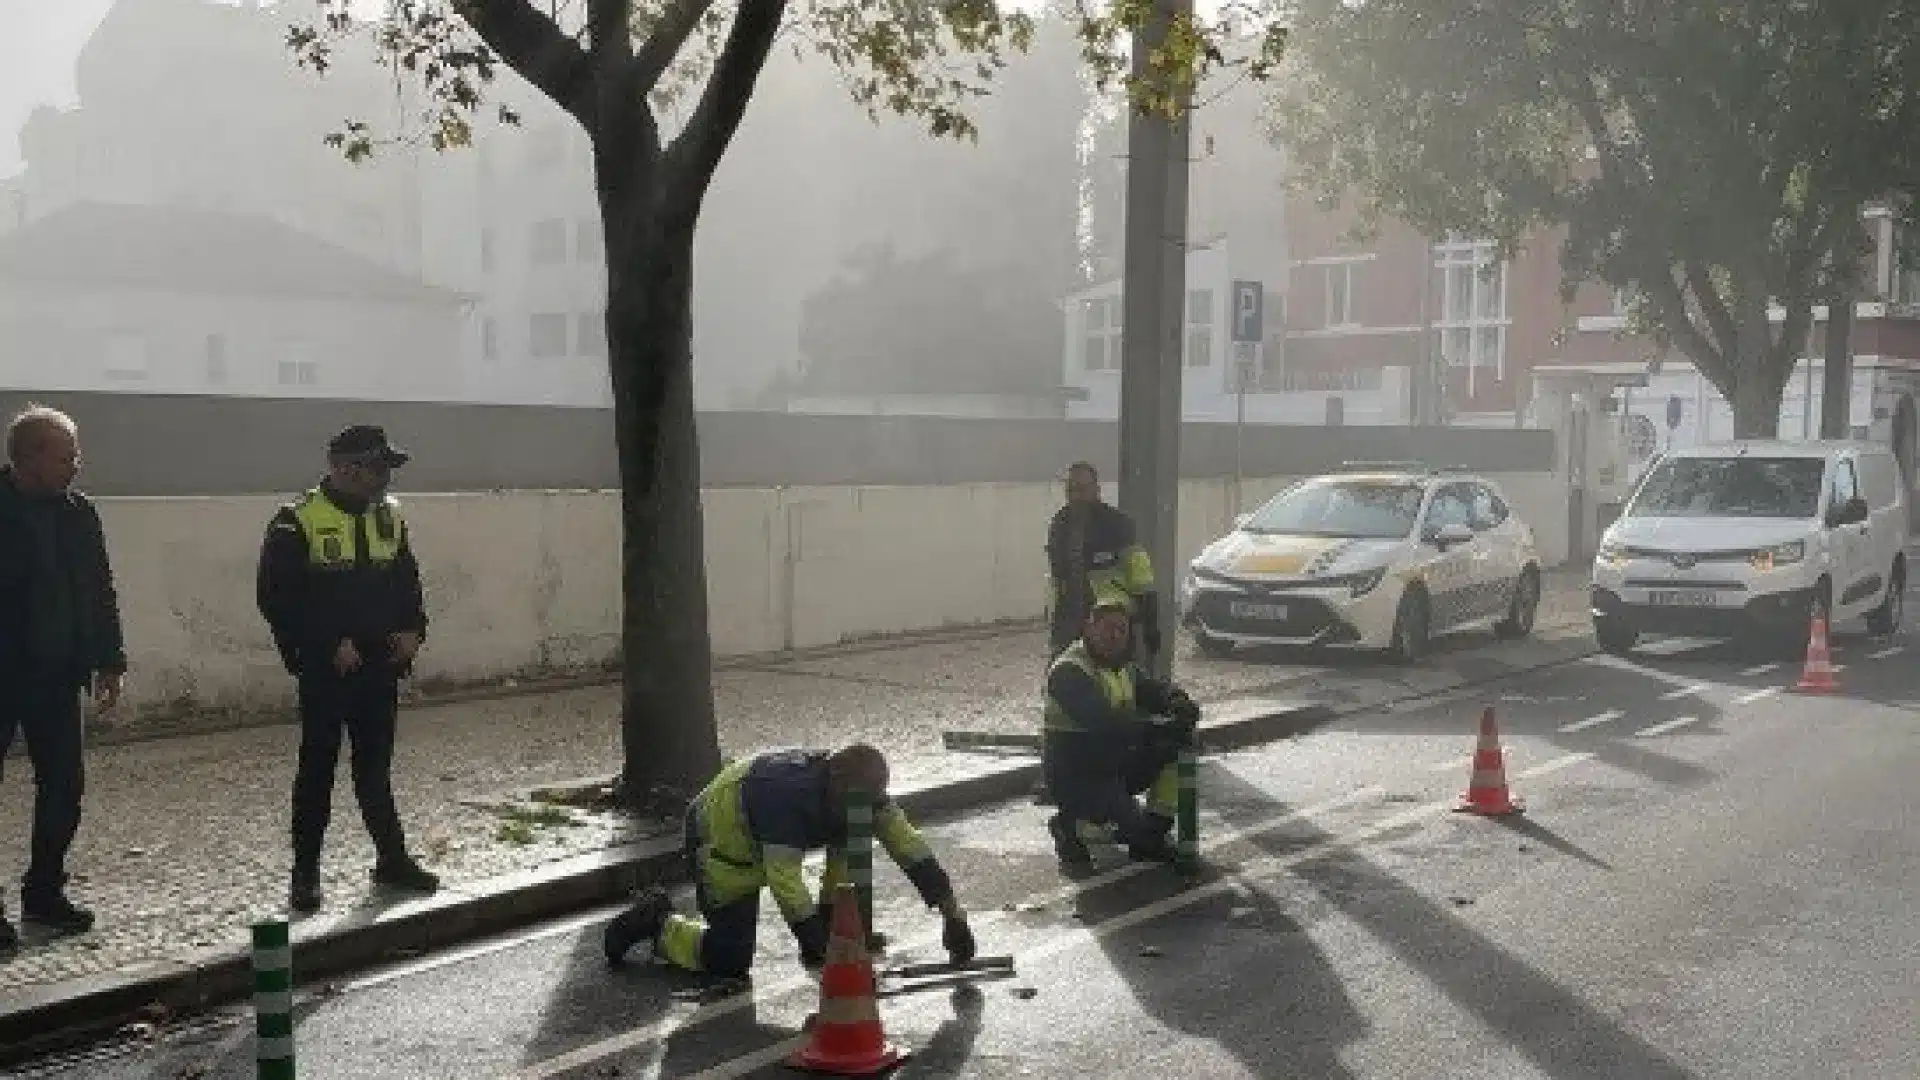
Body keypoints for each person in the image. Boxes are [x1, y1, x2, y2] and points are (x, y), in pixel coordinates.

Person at [257, 424, 439, 913]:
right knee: (317, 771)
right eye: (378, 468)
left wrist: (413, 629)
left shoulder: (389, 517)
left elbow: (406, 580)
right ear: (345, 468)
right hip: (327, 671)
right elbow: (278, 598)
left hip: (379, 666)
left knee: (374, 769)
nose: (385, 479)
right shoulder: (295, 522)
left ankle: (392, 860)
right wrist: (325, 645)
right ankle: (305, 875)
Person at [602, 744, 976, 977]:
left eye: (868, 802)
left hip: (762, 833)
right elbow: (786, 884)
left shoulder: (861, 795)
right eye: (851, 802)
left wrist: (951, 914)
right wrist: (823, 950)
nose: (861, 810)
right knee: (729, 961)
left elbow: (909, 846)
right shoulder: (784, 800)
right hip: (721, 843)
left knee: (851, 842)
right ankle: (660, 926)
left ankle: (833, 932)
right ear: (832, 783)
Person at [0, 405, 126, 945]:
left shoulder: (80, 513)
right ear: (29, 459)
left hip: (57, 674)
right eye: (66, 455)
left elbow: (99, 588)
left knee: (64, 787)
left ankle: (44, 892)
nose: (77, 464)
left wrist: (110, 659)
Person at [1042, 597, 1200, 874]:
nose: (1114, 636)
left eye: (1121, 630)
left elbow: (1153, 690)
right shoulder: (1068, 671)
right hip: (1078, 776)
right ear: (1089, 629)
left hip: (1114, 765)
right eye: (1107, 628)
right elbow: (1106, 723)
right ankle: (1070, 826)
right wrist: (1160, 727)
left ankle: (1151, 831)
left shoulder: (1123, 666)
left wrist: (1178, 702)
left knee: (1177, 746)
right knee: (1118, 829)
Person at [1045, 462, 1159, 662]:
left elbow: (1141, 577)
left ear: (1097, 490)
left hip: (1110, 625)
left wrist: (1150, 623)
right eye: (1071, 490)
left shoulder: (1117, 524)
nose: (1076, 496)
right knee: (1062, 677)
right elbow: (1057, 579)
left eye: (1082, 489)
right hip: (1069, 621)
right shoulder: (1059, 525)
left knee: (1111, 682)